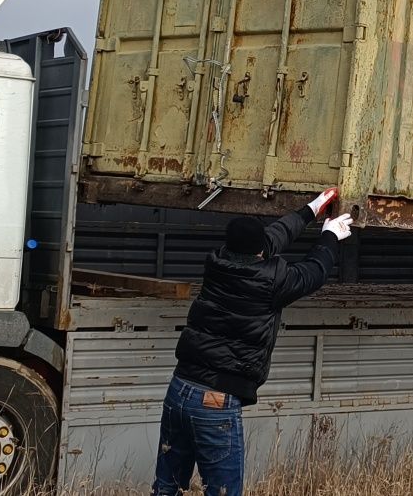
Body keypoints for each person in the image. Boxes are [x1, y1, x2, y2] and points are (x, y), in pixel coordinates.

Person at [151, 188, 353, 496]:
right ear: (260, 252)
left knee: (166, 487)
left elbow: (273, 237)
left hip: (179, 389)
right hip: (215, 402)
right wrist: (330, 236)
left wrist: (310, 211)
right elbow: (314, 271)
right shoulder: (272, 282)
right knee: (222, 492)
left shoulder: (217, 261)